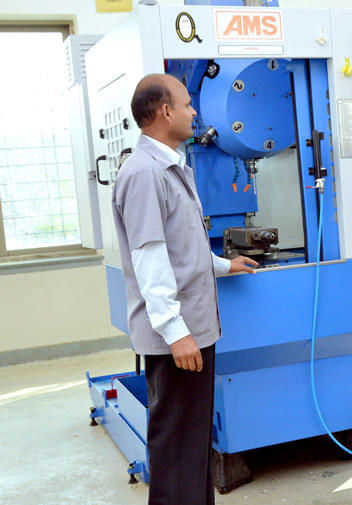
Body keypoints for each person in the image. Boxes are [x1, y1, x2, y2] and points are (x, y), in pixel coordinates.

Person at [112, 73, 258, 505]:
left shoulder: (171, 166)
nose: (195, 111)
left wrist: (222, 264)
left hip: (192, 330)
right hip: (176, 338)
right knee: (176, 445)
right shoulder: (143, 173)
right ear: (165, 111)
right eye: (188, 103)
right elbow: (150, 258)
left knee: (192, 444)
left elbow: (180, 245)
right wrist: (176, 331)